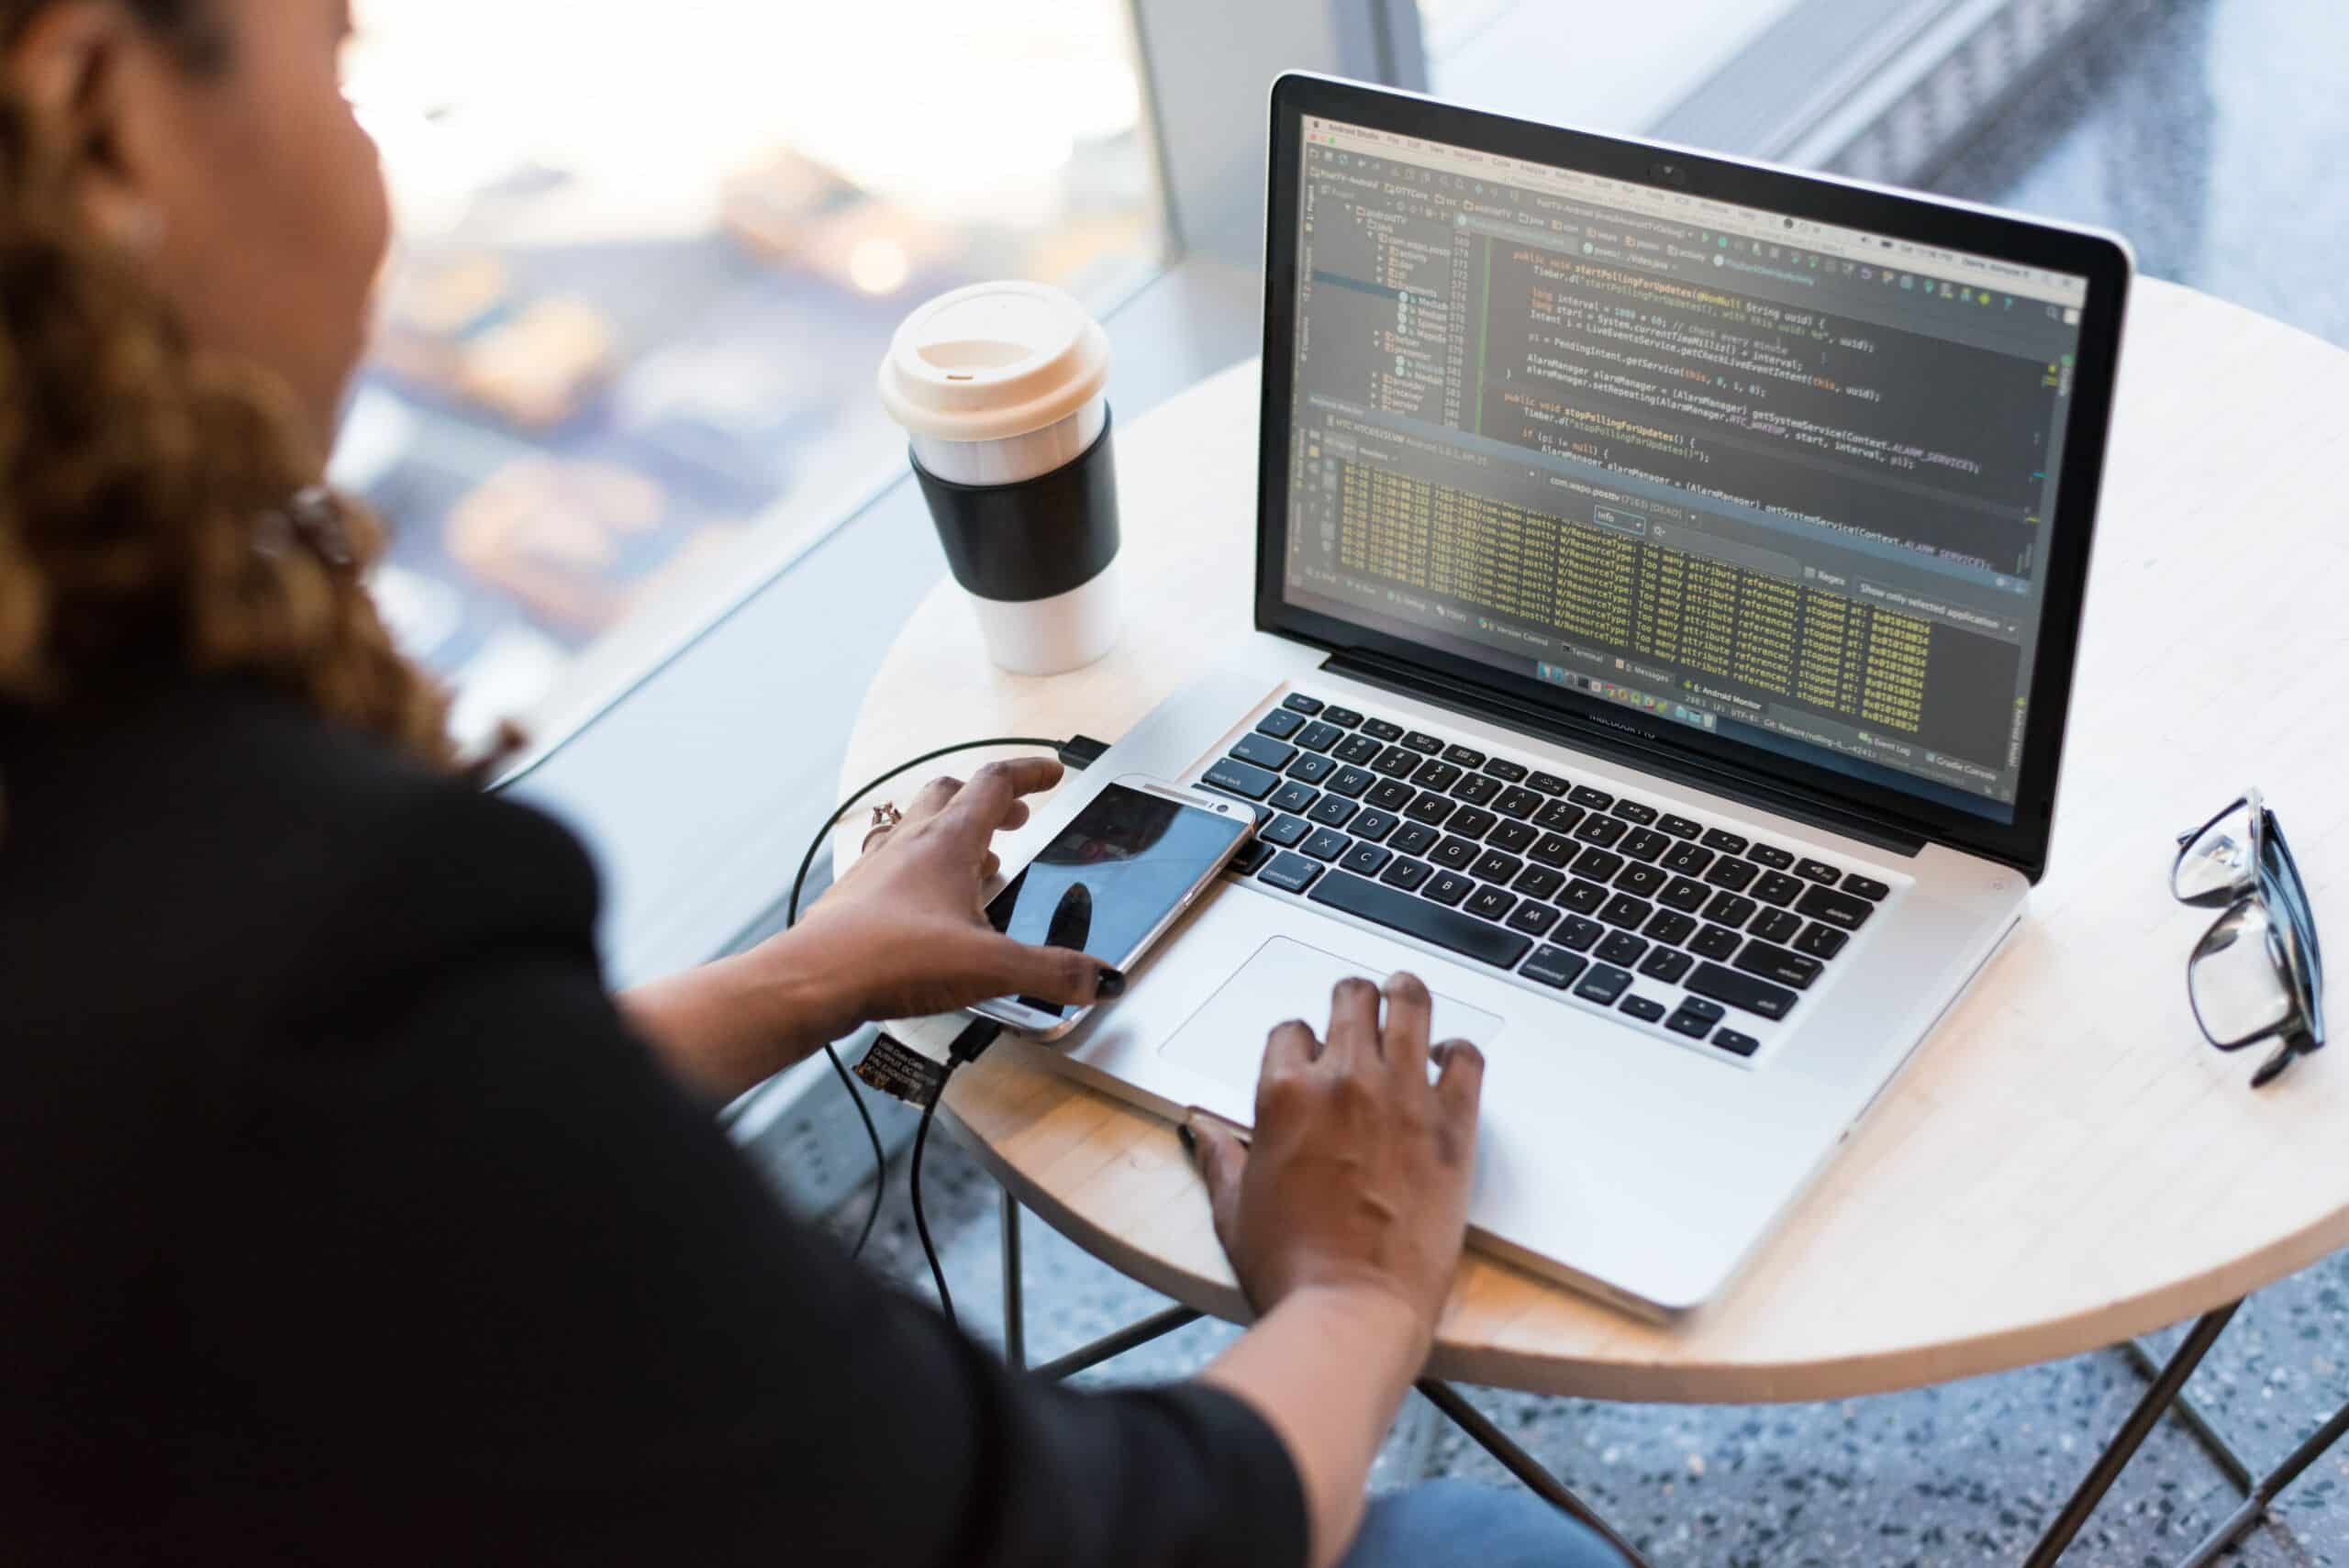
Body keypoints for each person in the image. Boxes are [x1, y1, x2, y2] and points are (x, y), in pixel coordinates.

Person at [0, 4, 1628, 1565]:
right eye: (337, 59)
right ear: (102, 124)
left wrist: (803, 974)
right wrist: (1349, 1288)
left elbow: (337, 1153)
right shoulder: (304, 921)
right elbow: (1071, 1537)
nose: (368, 165)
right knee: (1498, 1546)